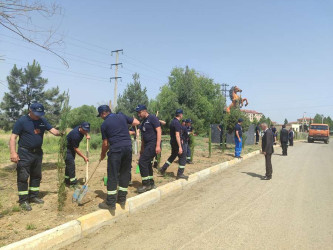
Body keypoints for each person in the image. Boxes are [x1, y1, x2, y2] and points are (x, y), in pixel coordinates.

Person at [9, 103, 62, 211]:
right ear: (30, 110)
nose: (38, 116)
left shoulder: (42, 121)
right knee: (23, 177)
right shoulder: (22, 121)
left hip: (38, 153)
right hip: (25, 153)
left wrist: (62, 132)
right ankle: (23, 200)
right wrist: (13, 153)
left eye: (40, 114)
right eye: (36, 113)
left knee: (36, 175)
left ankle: (33, 196)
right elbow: (13, 137)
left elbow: (53, 131)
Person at [98, 105, 140, 210]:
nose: (101, 118)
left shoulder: (104, 124)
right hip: (128, 148)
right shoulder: (121, 116)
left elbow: (105, 144)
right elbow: (136, 122)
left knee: (112, 175)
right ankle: (122, 199)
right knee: (125, 173)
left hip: (116, 150)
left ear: (103, 113)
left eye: (101, 115)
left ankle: (111, 203)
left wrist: (103, 154)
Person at [135, 105, 162, 193]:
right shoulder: (143, 122)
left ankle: (146, 185)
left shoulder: (153, 118)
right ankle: (151, 183)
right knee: (147, 163)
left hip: (153, 144)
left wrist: (158, 145)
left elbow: (159, 131)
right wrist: (142, 149)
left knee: (142, 162)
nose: (138, 114)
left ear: (144, 111)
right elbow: (143, 138)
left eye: (139, 112)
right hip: (146, 145)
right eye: (138, 113)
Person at [159, 109, 188, 180]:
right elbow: (177, 135)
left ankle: (163, 168)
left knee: (173, 156)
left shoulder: (172, 122)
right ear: (180, 114)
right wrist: (180, 147)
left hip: (173, 142)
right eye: (182, 114)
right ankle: (180, 174)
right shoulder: (177, 123)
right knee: (183, 157)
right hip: (177, 143)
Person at [65, 122, 91, 187]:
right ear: (80, 127)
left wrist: (87, 134)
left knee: (69, 164)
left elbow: (85, 131)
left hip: (71, 148)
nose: (85, 131)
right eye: (84, 130)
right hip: (66, 149)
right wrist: (84, 157)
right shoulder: (75, 135)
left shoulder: (81, 128)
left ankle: (67, 180)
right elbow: (76, 149)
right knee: (71, 164)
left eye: (87, 130)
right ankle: (73, 183)